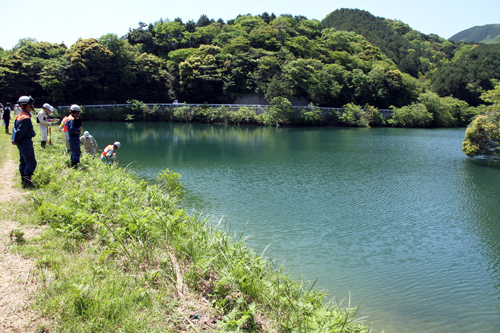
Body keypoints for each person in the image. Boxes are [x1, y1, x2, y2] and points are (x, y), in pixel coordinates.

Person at [11, 96, 37, 187]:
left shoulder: (20, 115)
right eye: (31, 104)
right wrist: (16, 139)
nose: (32, 105)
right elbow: (20, 131)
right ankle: (27, 181)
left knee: (23, 160)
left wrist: (15, 139)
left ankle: (23, 179)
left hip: (21, 142)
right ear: (27, 105)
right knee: (31, 161)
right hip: (25, 141)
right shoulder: (26, 117)